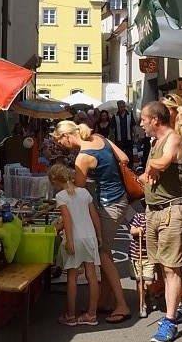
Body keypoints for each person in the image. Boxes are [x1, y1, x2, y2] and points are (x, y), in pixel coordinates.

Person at [52, 119, 132, 324]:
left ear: (67, 136)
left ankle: (122, 304)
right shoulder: (100, 138)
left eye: (62, 143)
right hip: (120, 198)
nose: (63, 147)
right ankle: (106, 299)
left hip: (109, 203)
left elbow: (77, 192)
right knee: (106, 252)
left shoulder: (83, 157)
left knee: (102, 252)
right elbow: (124, 158)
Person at [139, 101, 182, 342]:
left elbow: (164, 162)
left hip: (172, 211)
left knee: (170, 268)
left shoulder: (172, 138)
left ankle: (169, 322)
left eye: (143, 120)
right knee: (165, 264)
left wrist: (151, 166)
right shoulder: (155, 142)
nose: (141, 124)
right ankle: (178, 306)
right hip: (155, 211)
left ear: (155, 121)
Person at [48, 162, 101, 326]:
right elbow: (94, 216)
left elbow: (67, 220)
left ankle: (70, 315)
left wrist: (69, 240)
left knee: (72, 276)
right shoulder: (84, 192)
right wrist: (99, 236)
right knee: (92, 276)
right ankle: (91, 314)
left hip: (74, 239)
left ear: (55, 182)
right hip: (89, 237)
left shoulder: (61, 196)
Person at [128, 199, 156, 317]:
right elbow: (132, 230)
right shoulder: (138, 216)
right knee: (139, 280)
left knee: (149, 282)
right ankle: (142, 304)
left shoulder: (155, 219)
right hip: (136, 255)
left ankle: (151, 295)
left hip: (149, 256)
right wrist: (137, 230)